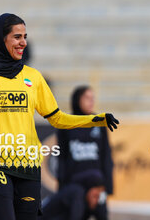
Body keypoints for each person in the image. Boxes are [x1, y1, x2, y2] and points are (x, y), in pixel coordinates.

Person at [0, 13, 119, 220]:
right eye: (17, 37)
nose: (23, 43)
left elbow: (58, 118)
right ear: (1, 39)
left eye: (25, 37)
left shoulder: (34, 77)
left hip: (28, 167)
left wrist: (97, 118)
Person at [42, 85, 113, 220]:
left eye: (92, 98)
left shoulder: (99, 122)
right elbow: (62, 157)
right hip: (74, 185)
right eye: (87, 98)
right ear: (77, 100)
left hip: (96, 186)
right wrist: (62, 186)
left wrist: (107, 186)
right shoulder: (66, 123)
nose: (91, 101)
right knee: (76, 213)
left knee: (102, 213)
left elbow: (106, 156)